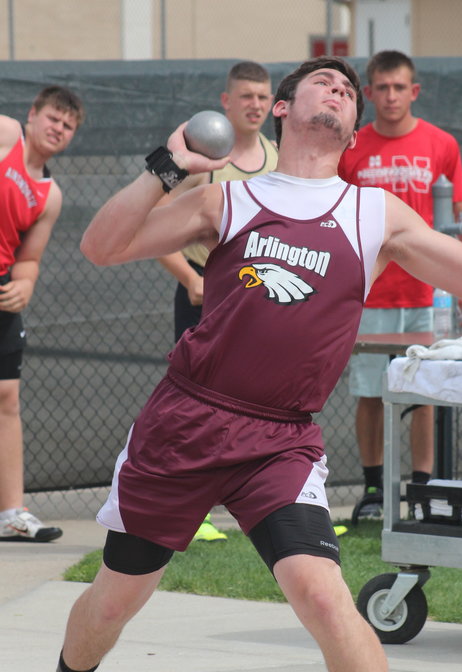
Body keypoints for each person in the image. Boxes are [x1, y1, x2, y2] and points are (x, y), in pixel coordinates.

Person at [15, 56, 462, 672]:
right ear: (281, 110)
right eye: (323, 82)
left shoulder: (373, 214)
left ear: (351, 124)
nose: (341, 89)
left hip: (279, 438)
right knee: (116, 600)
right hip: (186, 421)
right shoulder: (230, 199)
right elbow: (103, 247)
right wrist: (169, 163)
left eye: (348, 88)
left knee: (320, 593)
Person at [339, 51, 462, 517]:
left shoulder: (441, 144)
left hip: (428, 294)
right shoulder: (353, 147)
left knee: (424, 395)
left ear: (413, 91)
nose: (391, 96)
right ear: (370, 93)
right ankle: (375, 490)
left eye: (400, 87)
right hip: (370, 292)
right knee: (370, 394)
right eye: (382, 87)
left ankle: (423, 488)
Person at [157, 60, 277, 543]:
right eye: (246, 96)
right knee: (194, 402)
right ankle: (191, 510)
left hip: (256, 296)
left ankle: (268, 505)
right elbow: (154, 223)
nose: (255, 105)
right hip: (205, 294)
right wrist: (190, 277)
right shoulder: (205, 161)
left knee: (261, 400)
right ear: (226, 102)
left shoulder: (280, 159)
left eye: (263, 97)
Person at [0, 86, 85, 542]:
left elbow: (29, 258)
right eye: (53, 118)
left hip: (2, 295)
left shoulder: (49, 194)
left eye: (68, 126)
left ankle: (12, 513)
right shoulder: (6, 135)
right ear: (32, 115)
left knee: (7, 398)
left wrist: (26, 283)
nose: (58, 129)